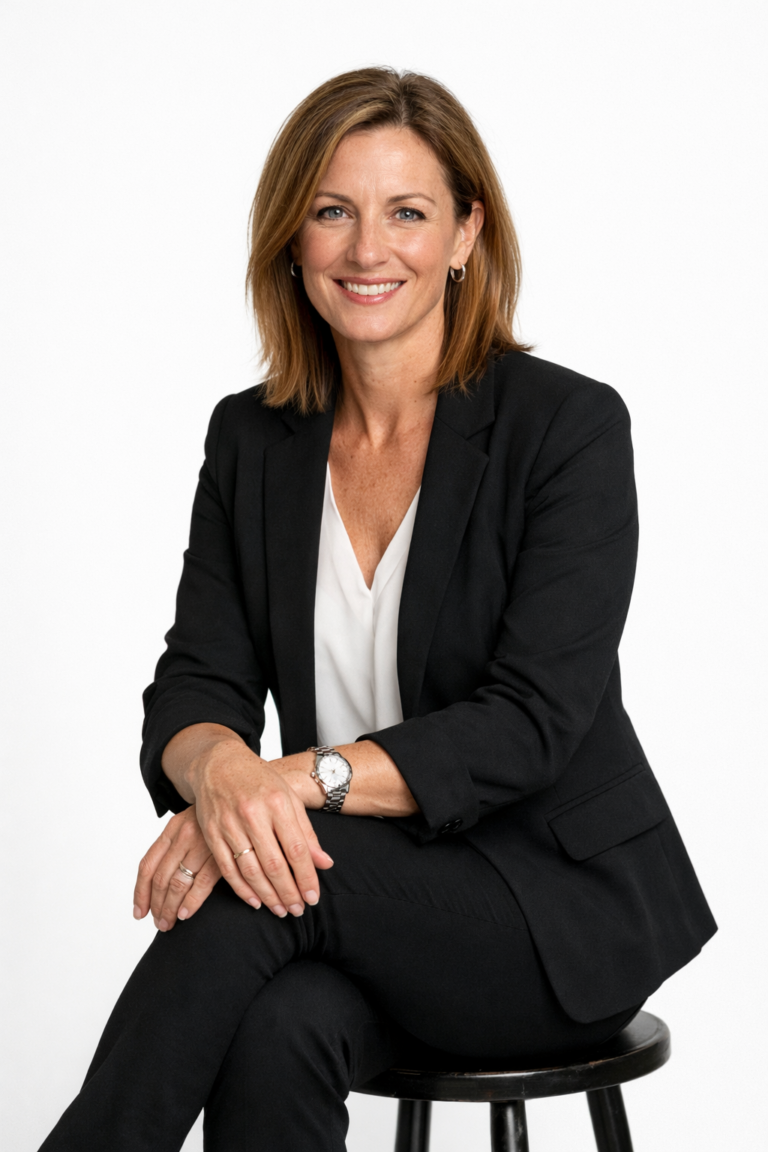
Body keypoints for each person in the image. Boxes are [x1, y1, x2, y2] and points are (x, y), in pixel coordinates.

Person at [39, 67, 716, 1152]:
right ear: (291, 239)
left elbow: (530, 721)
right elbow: (197, 680)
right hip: (350, 897)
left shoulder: (569, 430)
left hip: (551, 911)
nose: (368, 250)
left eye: (407, 212)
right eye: (332, 211)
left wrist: (287, 785)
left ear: (465, 236)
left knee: (250, 884)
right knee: (276, 1026)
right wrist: (218, 774)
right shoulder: (253, 440)